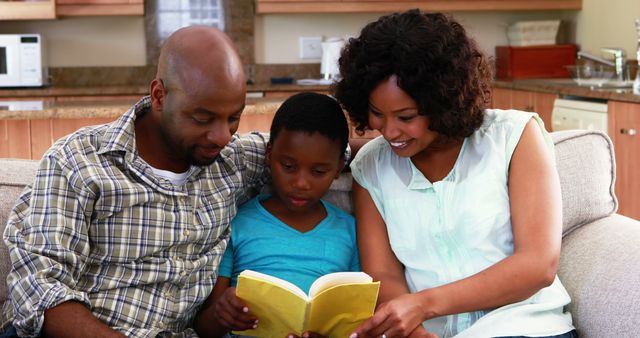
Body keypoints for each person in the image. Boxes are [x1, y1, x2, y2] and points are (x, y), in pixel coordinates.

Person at [2, 26, 271, 338]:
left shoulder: (233, 160)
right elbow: (37, 287)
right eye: (202, 118)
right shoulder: (77, 160)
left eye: (234, 117)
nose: (223, 136)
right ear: (159, 96)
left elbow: (315, 150)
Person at [333, 10, 577, 338]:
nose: (389, 131)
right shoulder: (371, 167)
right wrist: (416, 331)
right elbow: (383, 275)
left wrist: (424, 304)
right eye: (377, 114)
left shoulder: (515, 137)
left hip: (524, 326)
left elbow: (537, 265)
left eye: (406, 117)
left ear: (443, 102)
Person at [194, 92, 359, 338]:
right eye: (289, 167)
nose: (301, 183)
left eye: (318, 171)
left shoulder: (350, 230)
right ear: (269, 155)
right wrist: (222, 313)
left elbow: (357, 319)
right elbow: (204, 328)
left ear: (337, 168)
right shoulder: (238, 222)